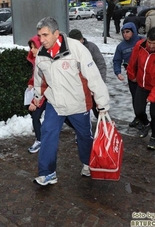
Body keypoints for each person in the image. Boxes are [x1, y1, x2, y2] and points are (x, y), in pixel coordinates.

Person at [32, 17, 110, 185]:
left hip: (78, 103)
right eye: (40, 36)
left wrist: (102, 102)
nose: (42, 40)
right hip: (55, 103)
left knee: (84, 136)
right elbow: (39, 79)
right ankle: (47, 172)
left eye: (45, 35)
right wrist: (38, 97)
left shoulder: (76, 49)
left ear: (56, 33)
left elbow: (93, 77)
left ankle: (88, 163)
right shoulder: (41, 55)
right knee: (48, 133)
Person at [68, 28, 107, 118]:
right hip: (78, 86)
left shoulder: (91, 47)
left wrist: (100, 83)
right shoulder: (69, 51)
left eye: (79, 41)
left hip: (92, 83)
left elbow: (101, 64)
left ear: (82, 39)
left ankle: (103, 126)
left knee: (98, 107)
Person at [113, 22, 144, 129]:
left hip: (144, 76)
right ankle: (138, 117)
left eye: (128, 32)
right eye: (123, 32)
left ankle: (143, 120)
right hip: (132, 76)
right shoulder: (121, 46)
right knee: (135, 98)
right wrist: (118, 72)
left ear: (133, 32)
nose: (125, 34)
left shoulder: (142, 41)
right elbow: (116, 60)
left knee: (142, 99)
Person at [26, 35, 46, 153]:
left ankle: (81, 132)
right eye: (31, 47)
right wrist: (31, 83)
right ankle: (40, 139)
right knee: (35, 116)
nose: (31, 50)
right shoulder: (36, 61)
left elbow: (44, 85)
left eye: (34, 47)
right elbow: (36, 78)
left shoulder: (43, 63)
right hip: (42, 95)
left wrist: (35, 102)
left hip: (48, 96)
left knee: (65, 116)